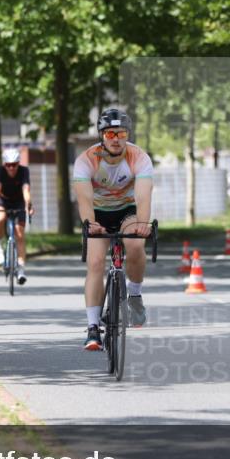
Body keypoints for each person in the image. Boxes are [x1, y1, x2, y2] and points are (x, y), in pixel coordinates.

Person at [73, 108, 154, 351]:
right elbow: (84, 198)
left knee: (135, 245)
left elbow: (143, 195)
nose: (116, 139)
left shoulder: (139, 157)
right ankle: (92, 328)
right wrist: (90, 222)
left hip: (126, 210)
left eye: (121, 134)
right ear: (102, 136)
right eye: (110, 134)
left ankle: (135, 295)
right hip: (97, 213)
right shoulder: (86, 159)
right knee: (96, 262)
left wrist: (143, 223)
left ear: (127, 134)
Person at [0, 148, 33, 284]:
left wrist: (29, 205)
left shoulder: (24, 171)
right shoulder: (0, 171)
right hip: (4, 200)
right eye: (8, 165)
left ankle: (21, 270)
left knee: (19, 234)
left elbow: (26, 190)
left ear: (18, 164)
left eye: (14, 165)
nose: (11, 168)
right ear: (4, 164)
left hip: (19, 201)